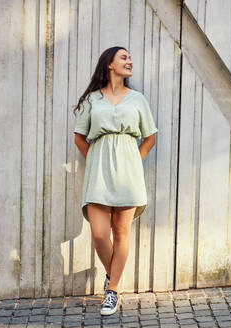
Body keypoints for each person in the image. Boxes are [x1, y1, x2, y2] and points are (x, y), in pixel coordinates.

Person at [73, 46, 158, 315]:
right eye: (124, 57)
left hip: (128, 175)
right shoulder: (92, 100)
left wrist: (132, 161)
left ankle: (112, 290)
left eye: (130, 57)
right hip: (98, 174)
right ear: (109, 64)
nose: (129, 61)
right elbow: (80, 138)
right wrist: (97, 160)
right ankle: (115, 277)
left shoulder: (137, 99)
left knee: (121, 234)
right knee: (99, 234)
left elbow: (150, 138)